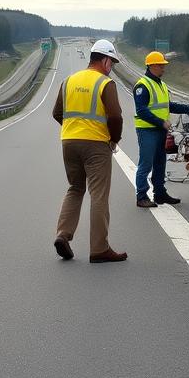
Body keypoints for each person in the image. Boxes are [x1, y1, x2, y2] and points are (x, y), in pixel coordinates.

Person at [52, 38, 127, 262]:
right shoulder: (105, 83)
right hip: (96, 145)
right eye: (111, 63)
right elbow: (115, 116)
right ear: (104, 61)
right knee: (99, 194)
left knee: (75, 188)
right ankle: (99, 249)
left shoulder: (68, 81)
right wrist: (114, 139)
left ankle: (63, 235)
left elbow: (57, 113)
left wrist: (73, 129)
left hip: (69, 142)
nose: (111, 68)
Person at [134, 51, 189, 208]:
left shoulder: (161, 85)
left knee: (160, 162)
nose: (164, 68)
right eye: (161, 65)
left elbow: (169, 106)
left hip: (159, 131)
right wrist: (161, 122)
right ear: (152, 66)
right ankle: (142, 196)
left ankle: (160, 193)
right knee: (146, 164)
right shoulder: (142, 86)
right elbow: (141, 111)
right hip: (147, 130)